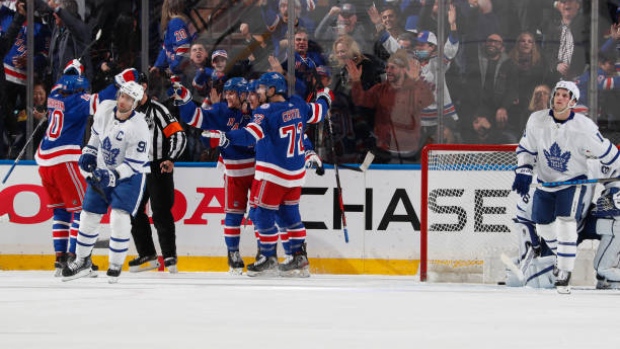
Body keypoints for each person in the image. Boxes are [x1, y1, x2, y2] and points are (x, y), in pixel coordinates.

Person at [201, 72, 332, 277]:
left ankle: (268, 257)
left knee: (261, 214)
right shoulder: (297, 104)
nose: (257, 92)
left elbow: (248, 135)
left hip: (272, 173)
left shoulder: (266, 110)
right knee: (291, 216)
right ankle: (299, 258)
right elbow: (319, 111)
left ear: (272, 90)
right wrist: (325, 96)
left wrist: (225, 137)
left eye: (261, 89)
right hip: (296, 175)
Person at [511, 80, 620, 293]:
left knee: (566, 222)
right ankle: (560, 259)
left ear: (573, 101)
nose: (559, 98)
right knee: (543, 226)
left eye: (564, 95)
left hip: (573, 186)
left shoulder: (584, 128)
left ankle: (567, 273)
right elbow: (526, 149)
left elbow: (610, 156)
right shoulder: (536, 120)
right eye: (557, 94)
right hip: (546, 184)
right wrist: (524, 169)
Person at [37, 61, 134, 276]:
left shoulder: (55, 95)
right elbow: (103, 99)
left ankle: (59, 260)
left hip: (44, 160)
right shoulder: (77, 101)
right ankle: (76, 260)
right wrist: (121, 79)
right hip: (64, 158)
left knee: (61, 212)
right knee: (82, 209)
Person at [62, 81, 151, 283]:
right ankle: (83, 261)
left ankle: (115, 264)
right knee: (88, 215)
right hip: (103, 169)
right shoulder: (104, 110)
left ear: (135, 103)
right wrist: (89, 152)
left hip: (131, 175)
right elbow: (95, 136)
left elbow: (132, 164)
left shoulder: (140, 127)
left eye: (129, 98)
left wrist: (112, 176)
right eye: (122, 95)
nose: (123, 100)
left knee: (119, 217)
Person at [170, 77, 254, 275]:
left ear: (243, 95)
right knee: (233, 215)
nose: (227, 97)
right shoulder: (221, 111)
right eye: (226, 93)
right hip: (234, 171)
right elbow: (196, 119)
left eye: (231, 93)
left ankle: (266, 255)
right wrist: (185, 99)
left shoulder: (256, 111)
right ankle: (233, 254)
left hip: (259, 171)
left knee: (262, 215)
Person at [128, 73, 187, 274]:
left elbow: (178, 134)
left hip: (158, 166)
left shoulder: (158, 110)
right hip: (136, 168)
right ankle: (148, 254)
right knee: (133, 210)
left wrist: (171, 158)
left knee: (160, 212)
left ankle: (169, 257)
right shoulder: (126, 113)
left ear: (144, 86)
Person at [347, 49, 434, 163]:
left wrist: (416, 80)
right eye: (387, 67)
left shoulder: (413, 88)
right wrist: (356, 81)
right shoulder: (380, 89)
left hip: (411, 152)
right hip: (384, 151)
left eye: (393, 67)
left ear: (403, 70)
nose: (388, 70)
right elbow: (360, 100)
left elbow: (427, 100)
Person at [150, 0, 196, 77]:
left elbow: (183, 47)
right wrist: (158, 65)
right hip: (178, 71)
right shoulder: (174, 23)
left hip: (183, 73)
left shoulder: (176, 22)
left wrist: (174, 66)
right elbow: (166, 47)